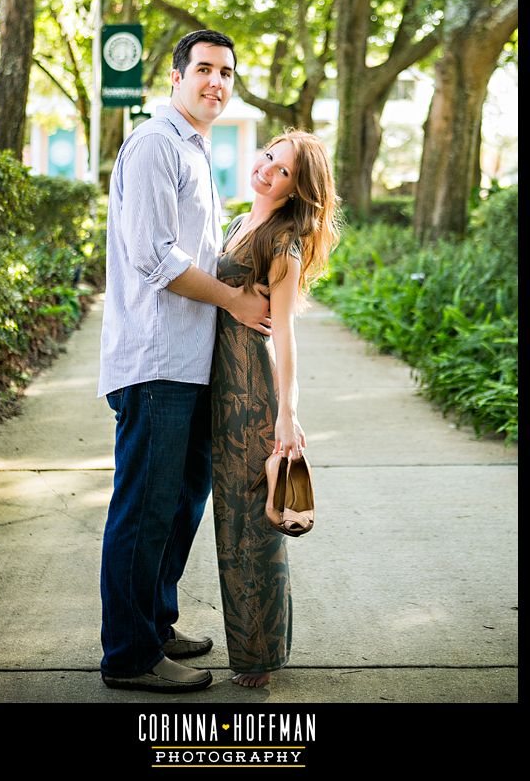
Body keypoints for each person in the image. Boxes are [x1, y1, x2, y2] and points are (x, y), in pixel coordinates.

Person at [97, 29, 272, 693]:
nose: (216, 82)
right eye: (203, 69)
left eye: (226, 72)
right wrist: (232, 298)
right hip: (155, 361)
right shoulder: (153, 145)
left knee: (178, 505)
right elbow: (156, 256)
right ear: (175, 76)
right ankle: (129, 655)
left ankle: (155, 622)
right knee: (144, 509)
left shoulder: (195, 152)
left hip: (191, 364)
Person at [211, 129, 340, 688]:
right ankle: (256, 648)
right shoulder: (243, 222)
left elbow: (283, 333)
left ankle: (260, 659)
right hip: (221, 390)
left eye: (282, 170)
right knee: (229, 524)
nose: (266, 169)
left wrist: (288, 413)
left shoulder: (281, 242)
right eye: (268, 156)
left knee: (251, 530)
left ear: (295, 190)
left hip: (252, 395)